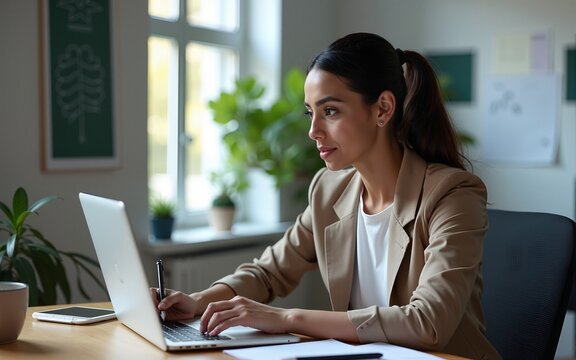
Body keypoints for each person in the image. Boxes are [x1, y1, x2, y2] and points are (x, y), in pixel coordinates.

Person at [153, 32, 502, 360]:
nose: (313, 131)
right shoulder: (328, 190)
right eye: (311, 112)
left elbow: (427, 323)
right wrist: (198, 302)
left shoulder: (453, 194)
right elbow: (268, 272)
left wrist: (286, 318)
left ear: (382, 108)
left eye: (330, 111)